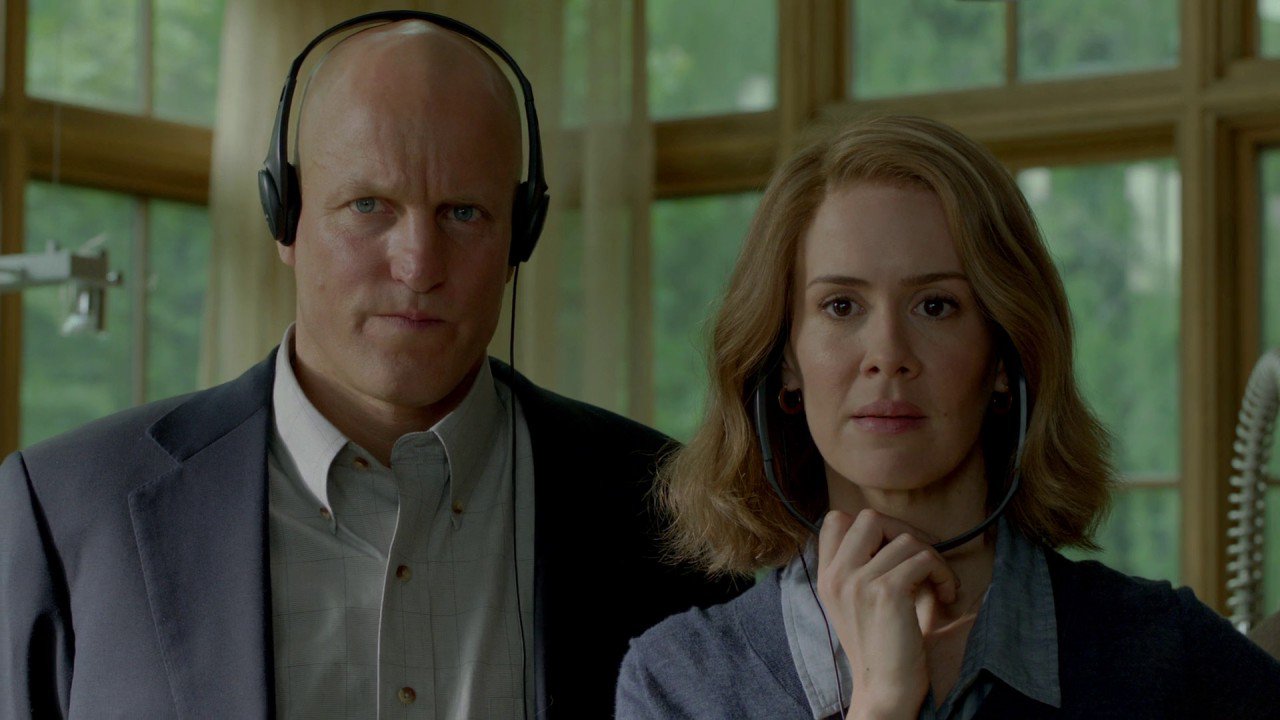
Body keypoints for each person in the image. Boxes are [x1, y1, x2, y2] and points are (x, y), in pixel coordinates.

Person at [0, 12, 734, 719]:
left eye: (464, 212)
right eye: (367, 205)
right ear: (285, 215)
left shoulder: (674, 514)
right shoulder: (65, 511)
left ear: (522, 233)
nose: (418, 265)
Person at [615, 115, 1280, 719]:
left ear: (1005, 357)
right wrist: (883, 702)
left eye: (936, 306)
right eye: (841, 306)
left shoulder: (1167, 654)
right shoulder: (679, 683)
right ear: (785, 359)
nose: (888, 355)